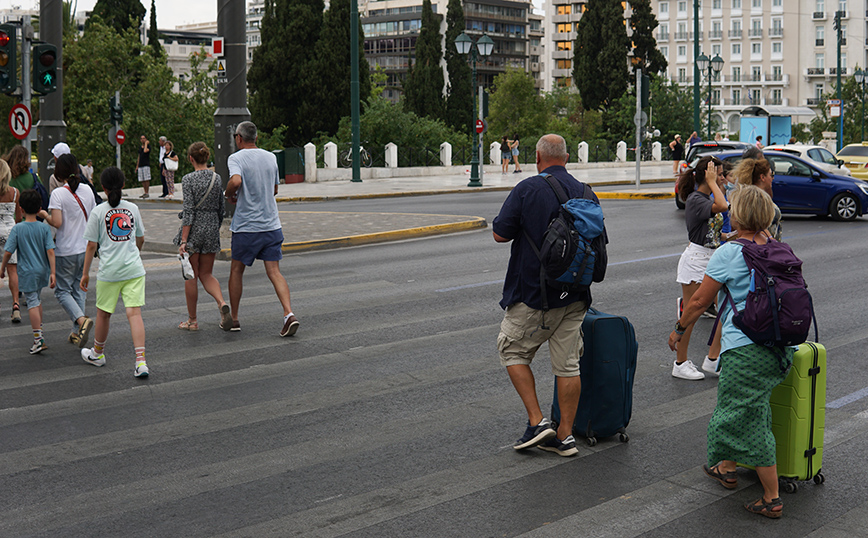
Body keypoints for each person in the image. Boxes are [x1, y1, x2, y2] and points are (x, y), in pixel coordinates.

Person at [669, 185, 790, 519]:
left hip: (746, 351)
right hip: (779, 349)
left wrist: (679, 331)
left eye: (733, 207)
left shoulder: (731, 252)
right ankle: (727, 466)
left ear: (740, 215)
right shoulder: (777, 247)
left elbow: (698, 301)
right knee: (750, 409)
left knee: (744, 418)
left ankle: (772, 497)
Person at [492, 133, 607, 457]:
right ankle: (565, 436)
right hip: (576, 295)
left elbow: (500, 233)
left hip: (535, 293)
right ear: (567, 158)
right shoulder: (586, 192)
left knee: (512, 351)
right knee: (568, 365)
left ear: (538, 159)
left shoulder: (528, 188)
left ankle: (538, 421)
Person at [224, 121, 299, 337]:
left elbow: (236, 181)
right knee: (274, 271)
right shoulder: (271, 157)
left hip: (247, 227)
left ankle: (235, 319)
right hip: (271, 225)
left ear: (239, 138)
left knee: (236, 270)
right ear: (255, 138)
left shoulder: (236, 158)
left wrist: (228, 195)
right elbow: (274, 189)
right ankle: (288, 314)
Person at [80, 167, 149, 378]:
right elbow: (141, 238)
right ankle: (141, 362)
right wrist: (133, 253)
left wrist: (85, 274)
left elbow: (92, 245)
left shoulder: (98, 211)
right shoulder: (132, 208)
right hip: (134, 270)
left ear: (103, 188)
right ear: (124, 185)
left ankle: (98, 354)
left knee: (103, 314)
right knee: (134, 314)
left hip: (109, 271)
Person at [672, 156, 728, 380]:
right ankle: (680, 363)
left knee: (725, 308)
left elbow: (713, 232)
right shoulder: (697, 199)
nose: (723, 178)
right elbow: (723, 206)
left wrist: (729, 236)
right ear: (708, 175)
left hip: (712, 257)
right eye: (719, 174)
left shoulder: (705, 197)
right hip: (696, 260)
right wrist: (714, 183)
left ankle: (713, 360)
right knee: (692, 314)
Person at [38, 153, 96, 348]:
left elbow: (57, 222)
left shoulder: (58, 194)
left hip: (66, 250)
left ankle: (81, 321)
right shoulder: (88, 190)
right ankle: (76, 332)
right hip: (85, 249)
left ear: (58, 172)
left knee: (62, 292)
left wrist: (45, 214)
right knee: (79, 290)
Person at [174, 142, 231, 332]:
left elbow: (188, 211)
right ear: (206, 157)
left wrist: (183, 240)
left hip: (194, 230)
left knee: (191, 275)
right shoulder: (217, 178)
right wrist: (213, 225)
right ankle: (221, 302)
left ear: (191, 159)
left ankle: (192, 321)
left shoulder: (188, 179)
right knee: (207, 274)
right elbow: (221, 209)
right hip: (211, 228)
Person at [0, 189, 56, 354]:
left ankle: (38, 339)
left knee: (31, 302)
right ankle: (40, 330)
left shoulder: (18, 229)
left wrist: (2, 267)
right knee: (37, 300)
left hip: (27, 271)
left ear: (21, 209)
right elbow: (51, 251)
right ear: (40, 208)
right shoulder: (44, 229)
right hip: (42, 270)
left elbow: (8, 252)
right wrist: (53, 272)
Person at [732, 157, 782, 241]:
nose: (772, 178)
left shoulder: (751, 197)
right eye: (771, 175)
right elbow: (757, 227)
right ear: (762, 177)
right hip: (761, 246)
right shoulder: (755, 200)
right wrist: (771, 240)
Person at [0, 159, 24, 322]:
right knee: (12, 270)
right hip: (10, 232)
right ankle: (15, 305)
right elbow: (19, 217)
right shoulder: (15, 193)